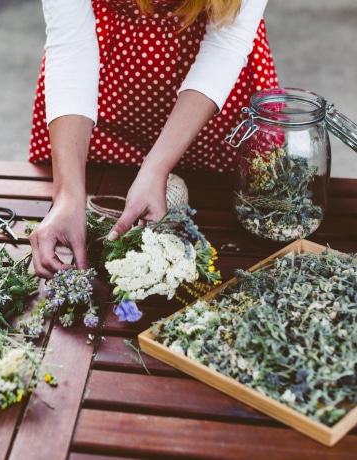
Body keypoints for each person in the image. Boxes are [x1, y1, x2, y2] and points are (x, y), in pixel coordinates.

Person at [28, 0, 278, 278]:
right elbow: (70, 47)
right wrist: (67, 195)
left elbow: (226, 44)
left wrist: (155, 168)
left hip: (208, 100)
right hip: (110, 86)